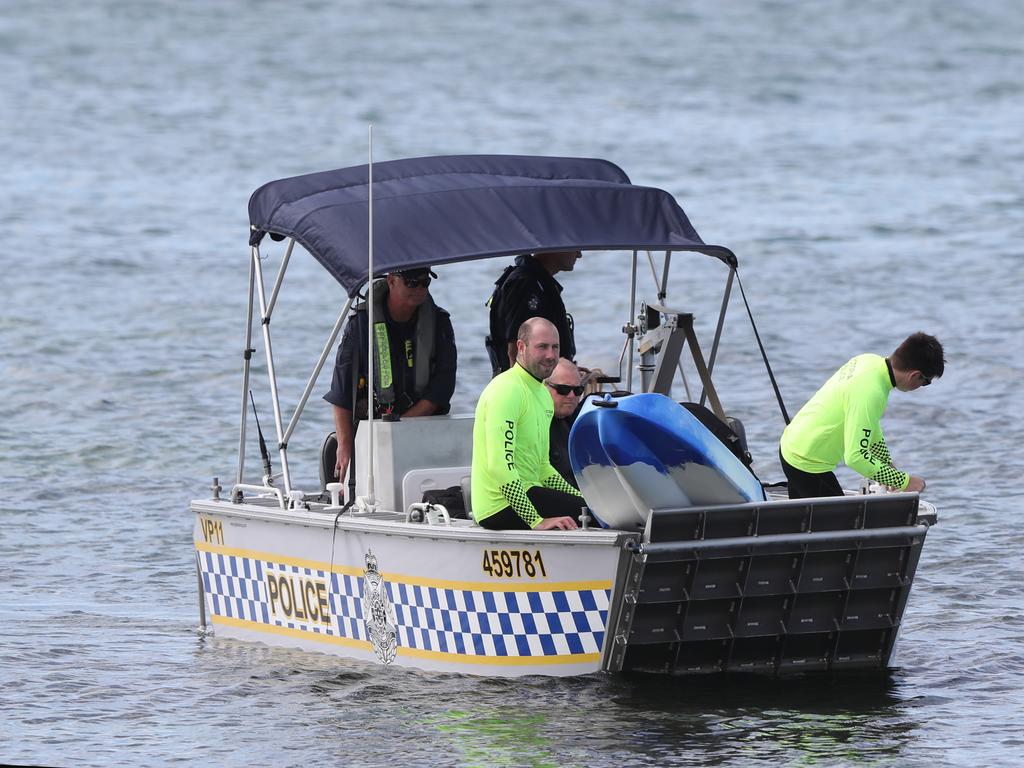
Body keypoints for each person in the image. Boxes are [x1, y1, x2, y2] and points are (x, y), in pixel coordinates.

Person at [324, 266, 457, 483]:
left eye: (425, 282)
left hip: (423, 430)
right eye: (412, 282)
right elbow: (340, 393)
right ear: (392, 281)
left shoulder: (440, 323)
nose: (420, 289)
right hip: (374, 436)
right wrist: (345, 446)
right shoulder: (360, 325)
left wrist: (400, 431)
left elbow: (441, 389)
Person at [779, 332, 945, 499]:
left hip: (792, 444)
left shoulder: (869, 362)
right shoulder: (871, 393)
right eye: (926, 382)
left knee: (806, 523)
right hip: (806, 464)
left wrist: (887, 465)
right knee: (844, 524)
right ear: (915, 375)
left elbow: (869, 425)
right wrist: (904, 481)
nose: (923, 386)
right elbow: (856, 457)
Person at [471, 318, 585, 530]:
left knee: (595, 509)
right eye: (542, 347)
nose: (550, 355)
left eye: (555, 347)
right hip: (498, 506)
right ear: (521, 347)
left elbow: (543, 469)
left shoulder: (542, 393)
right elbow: (500, 467)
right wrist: (536, 521)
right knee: (595, 516)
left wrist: (583, 497)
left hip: (529, 492)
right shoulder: (507, 390)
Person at [485, 251, 581, 376]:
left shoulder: (540, 282)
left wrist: (567, 371)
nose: (579, 255)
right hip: (524, 388)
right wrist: (522, 390)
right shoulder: (525, 283)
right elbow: (515, 350)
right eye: (574, 248)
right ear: (555, 248)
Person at [546, 358, 585, 489]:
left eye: (578, 390)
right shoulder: (532, 425)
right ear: (544, 386)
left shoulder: (581, 420)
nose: (571, 396)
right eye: (563, 389)